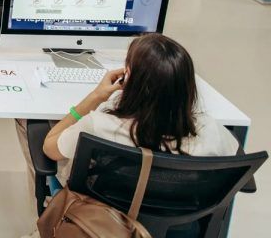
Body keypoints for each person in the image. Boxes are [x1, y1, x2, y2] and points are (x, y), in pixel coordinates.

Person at [43, 33, 239, 187]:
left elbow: (49, 148)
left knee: (35, 134)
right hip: (178, 222)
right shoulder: (212, 131)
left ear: (129, 79)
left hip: (104, 220)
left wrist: (96, 96)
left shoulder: (97, 126)